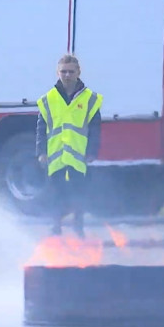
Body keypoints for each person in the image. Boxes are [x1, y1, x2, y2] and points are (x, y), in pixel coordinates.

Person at [36, 54, 102, 239]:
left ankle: (78, 226)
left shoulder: (90, 99)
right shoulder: (48, 99)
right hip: (55, 155)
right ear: (57, 72)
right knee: (55, 193)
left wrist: (92, 151)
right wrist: (41, 152)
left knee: (79, 194)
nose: (66, 75)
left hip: (78, 156)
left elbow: (95, 128)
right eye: (63, 71)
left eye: (70, 71)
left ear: (78, 72)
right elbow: (41, 128)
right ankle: (56, 225)